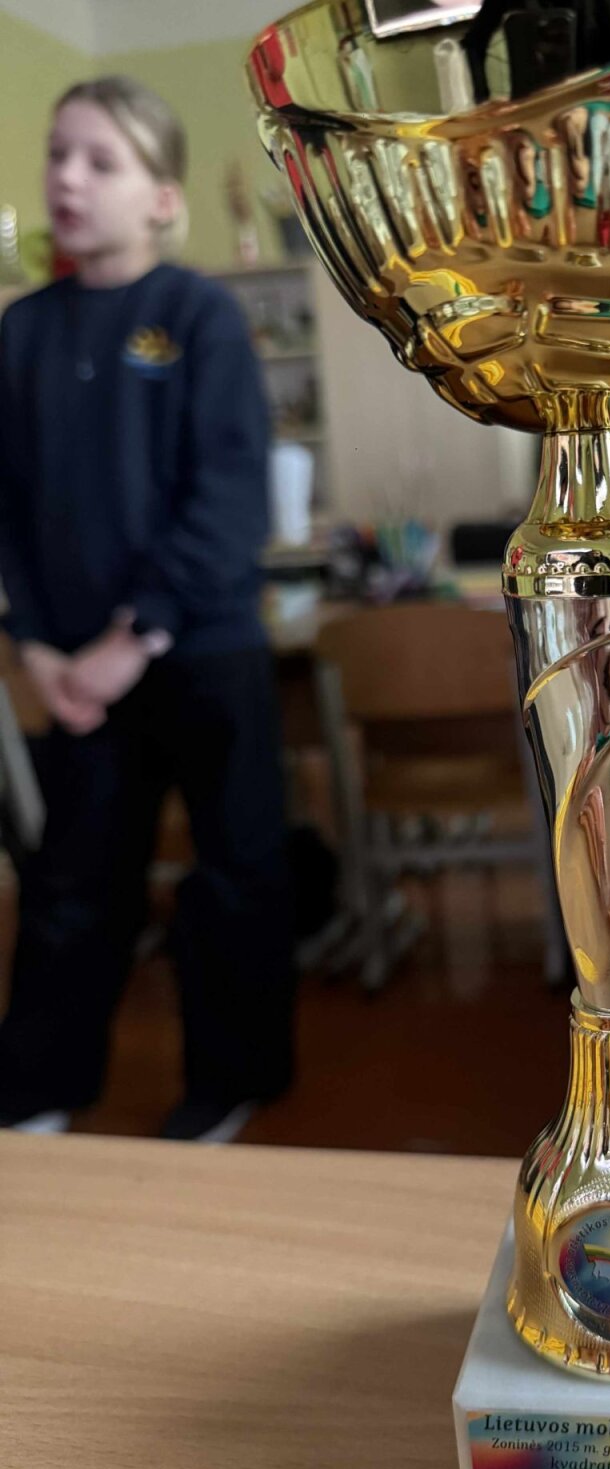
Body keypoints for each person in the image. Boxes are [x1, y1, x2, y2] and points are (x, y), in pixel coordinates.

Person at [0, 76, 294, 1141]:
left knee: (235, 873)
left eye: (101, 161)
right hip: (73, 671)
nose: (69, 178)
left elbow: (231, 497)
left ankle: (230, 1082)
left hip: (200, 652)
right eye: (58, 154)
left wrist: (135, 636)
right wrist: (34, 645)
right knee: (71, 882)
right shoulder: (21, 333)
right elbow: (8, 509)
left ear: (162, 198)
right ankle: (38, 1086)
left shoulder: (200, 315)